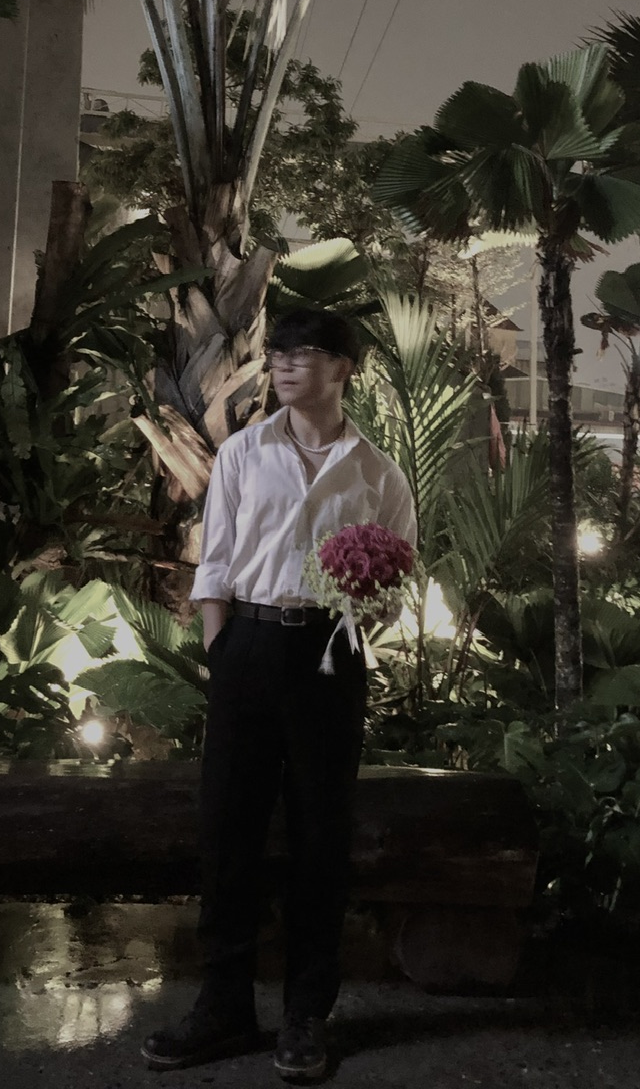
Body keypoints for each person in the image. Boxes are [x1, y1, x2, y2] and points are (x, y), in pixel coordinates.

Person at [141, 308, 416, 1082]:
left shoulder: (378, 473)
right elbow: (216, 560)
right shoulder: (242, 453)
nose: (286, 365)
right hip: (250, 646)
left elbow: (399, 574)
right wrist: (221, 647)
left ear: (344, 369)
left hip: (331, 654)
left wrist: (366, 601)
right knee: (228, 829)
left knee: (321, 836)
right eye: (279, 354)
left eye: (306, 354)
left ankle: (305, 1015)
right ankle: (224, 1006)